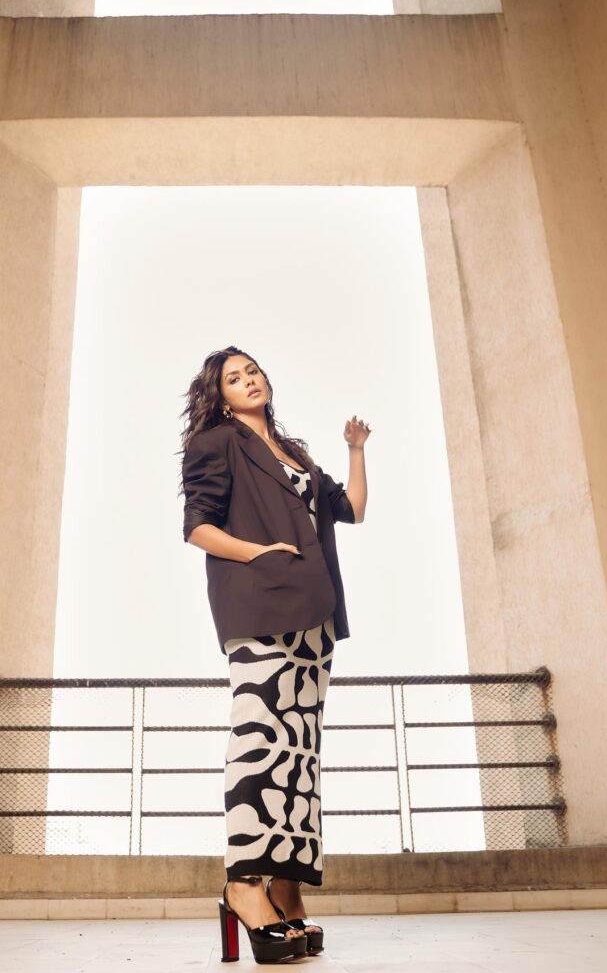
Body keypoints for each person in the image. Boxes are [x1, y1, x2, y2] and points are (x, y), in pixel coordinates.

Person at [179, 346, 370, 963]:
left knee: (300, 754)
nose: (248, 380)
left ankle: (286, 884)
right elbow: (198, 528)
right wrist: (257, 554)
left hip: (314, 614)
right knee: (261, 738)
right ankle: (243, 884)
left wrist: (356, 450)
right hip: (259, 605)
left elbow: (353, 511)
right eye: (233, 377)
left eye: (252, 370)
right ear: (220, 393)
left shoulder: (297, 454)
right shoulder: (215, 443)